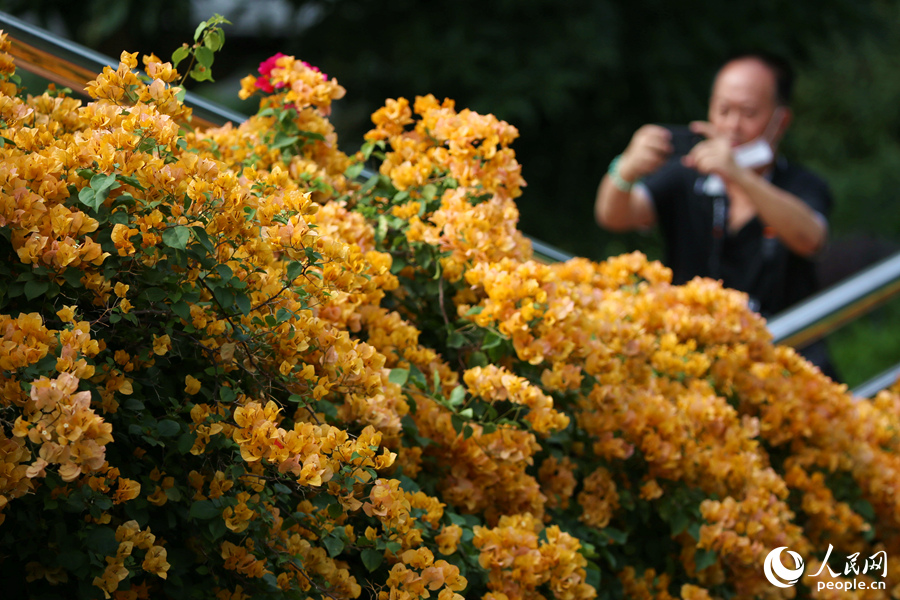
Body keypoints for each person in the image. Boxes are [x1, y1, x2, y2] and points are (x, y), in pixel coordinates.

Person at [594, 52, 837, 377]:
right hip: (691, 364)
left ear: (782, 120)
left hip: (785, 364)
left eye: (749, 113)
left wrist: (739, 175)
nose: (732, 126)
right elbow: (614, 216)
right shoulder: (685, 176)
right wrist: (625, 168)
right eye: (723, 110)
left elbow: (811, 238)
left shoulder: (802, 184)